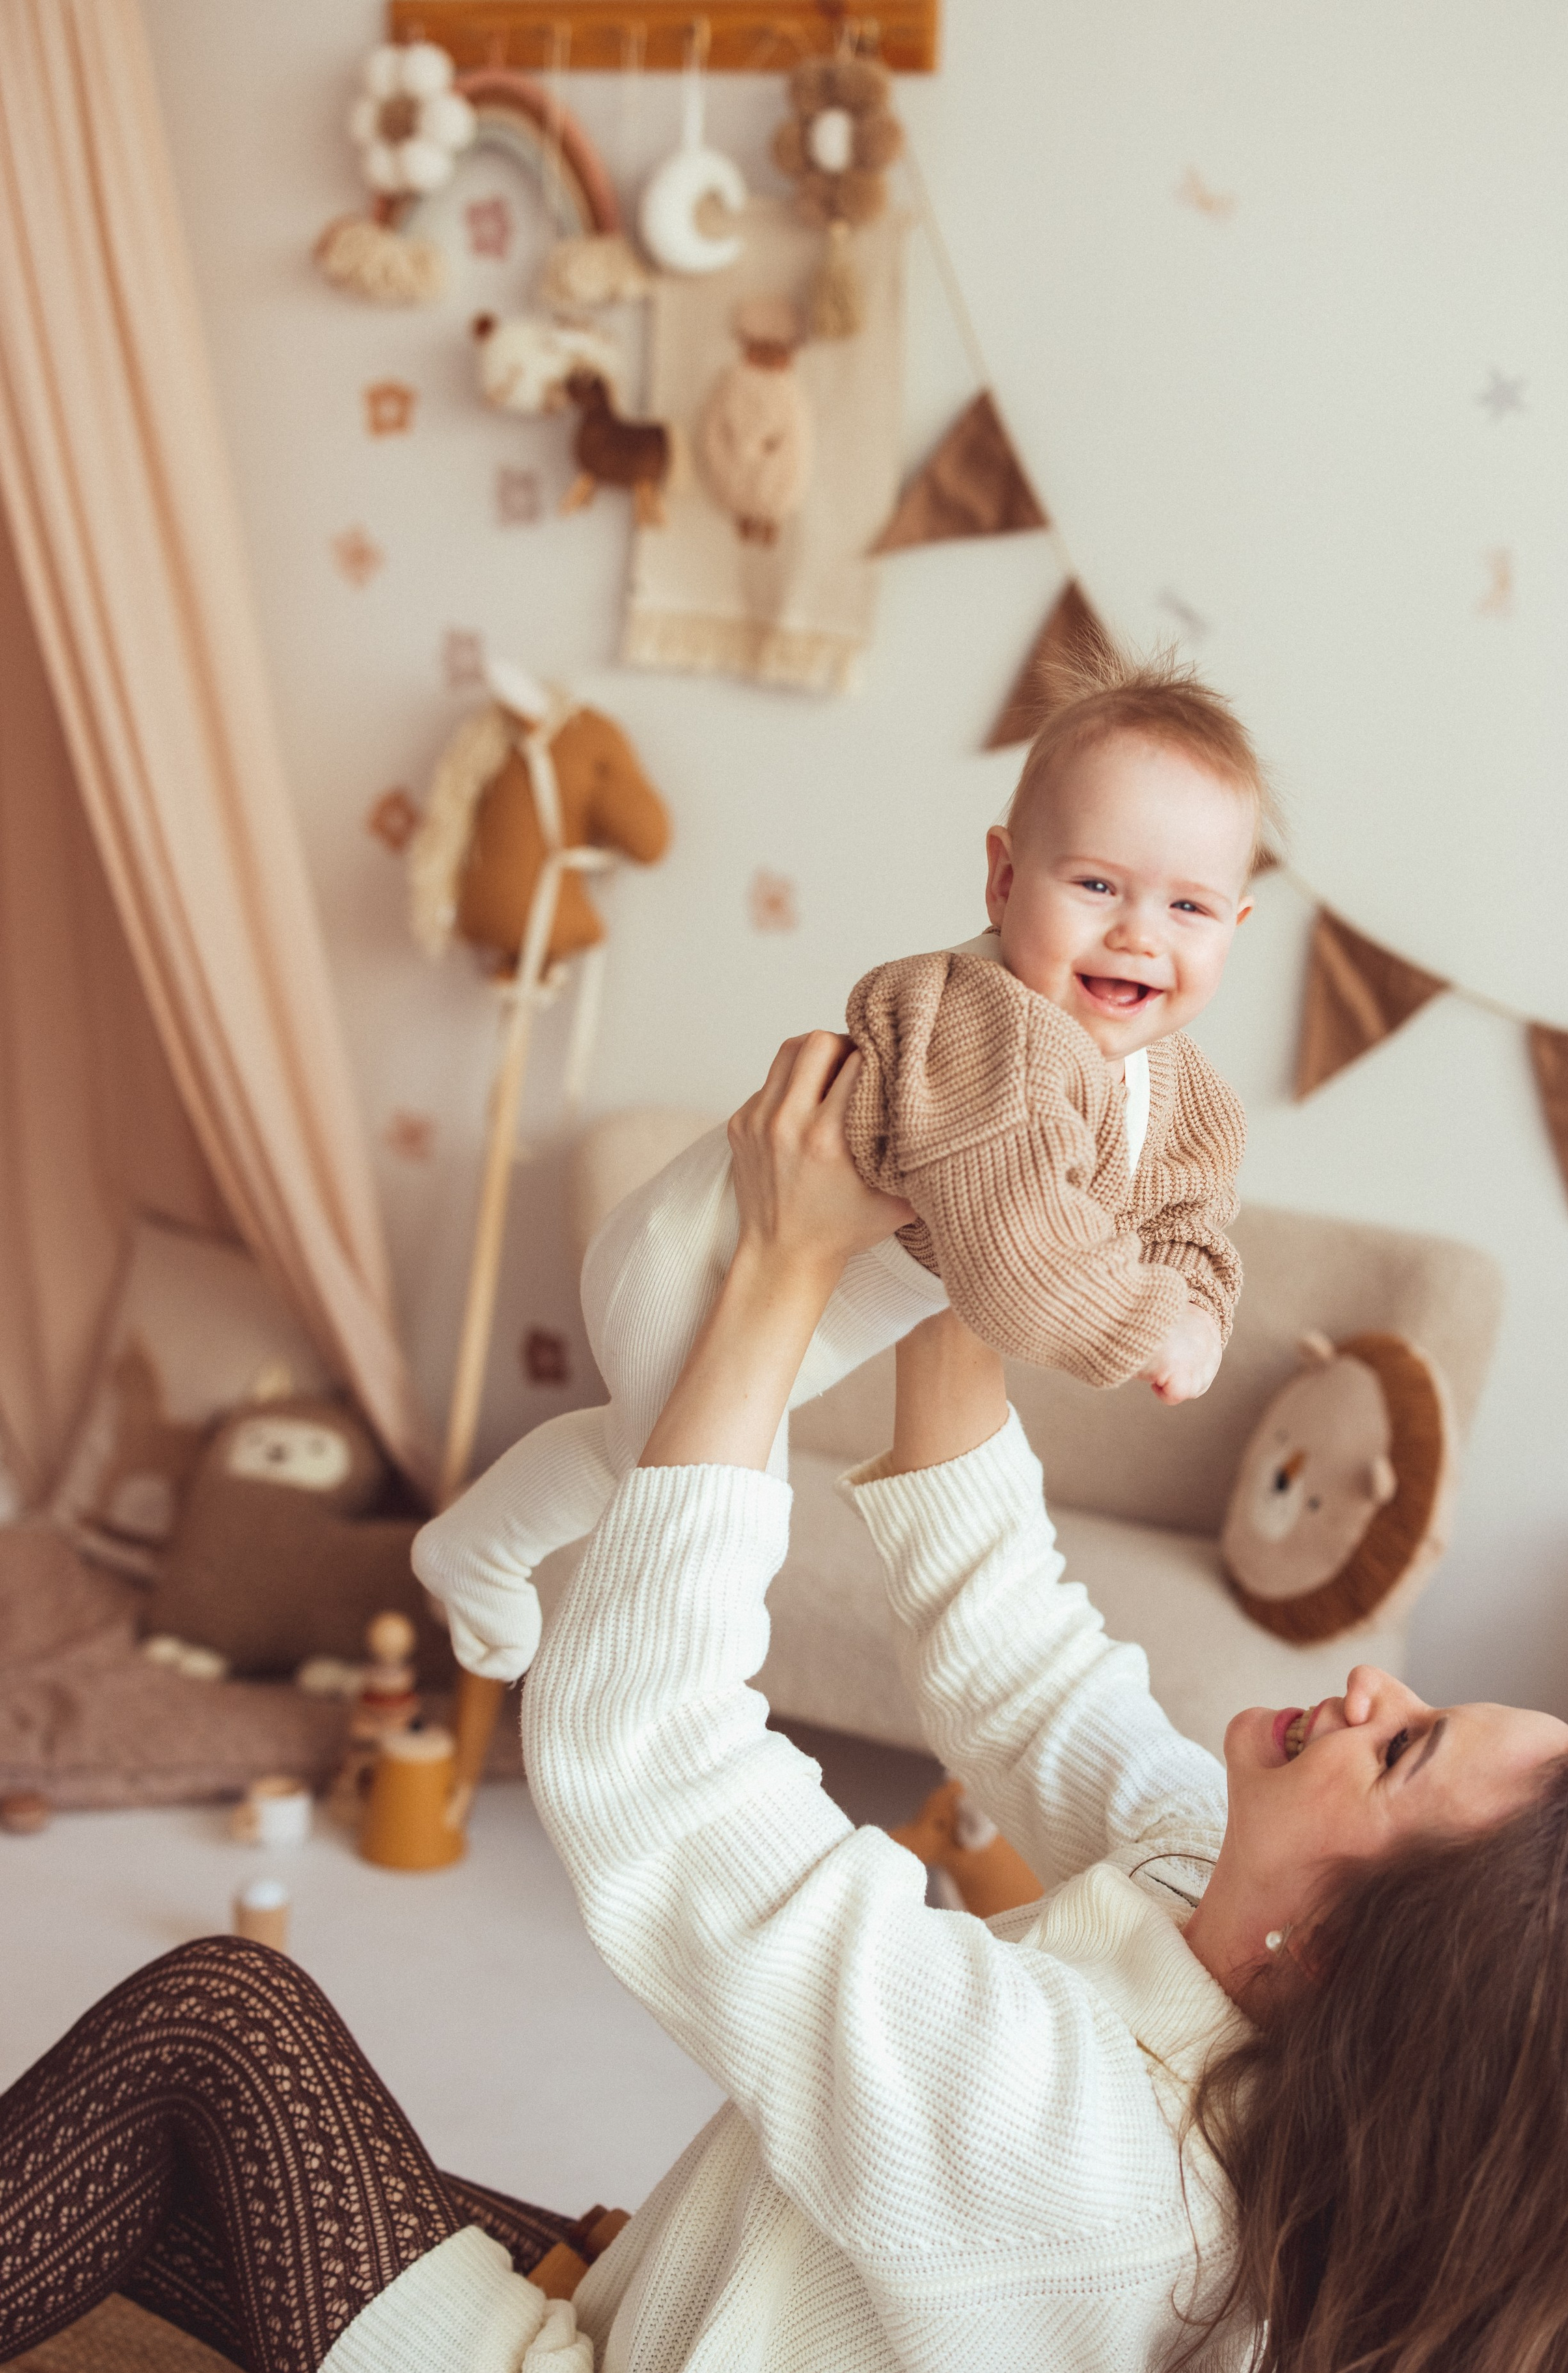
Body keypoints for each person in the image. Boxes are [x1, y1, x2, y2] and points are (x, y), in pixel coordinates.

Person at [0, 1037, 1568, 2373]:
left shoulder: (1090, 2156)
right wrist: (978, 1240)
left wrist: (778, 1268)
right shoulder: (1237, 1945)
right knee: (185, 2185)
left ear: (1337, 1952)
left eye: (1398, 1751)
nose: (1364, 1686)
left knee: (225, 2023)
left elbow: (654, 1752)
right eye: (1420, 1702)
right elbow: (1019, 1657)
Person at [413, 643, 1258, 1687]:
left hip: (786, 1301)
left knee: (639, 1458)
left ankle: (475, 1547)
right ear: (1003, 877)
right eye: (1096, 884)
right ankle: (538, 1601)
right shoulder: (990, 1028)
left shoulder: (1181, 1086)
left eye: (1189, 908)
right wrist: (1146, 1324)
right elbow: (1022, 1263)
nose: (1137, 934)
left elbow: (1189, 1218)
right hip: (695, 1270)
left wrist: (1204, 1311)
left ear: (1235, 926)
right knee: (719, 1508)